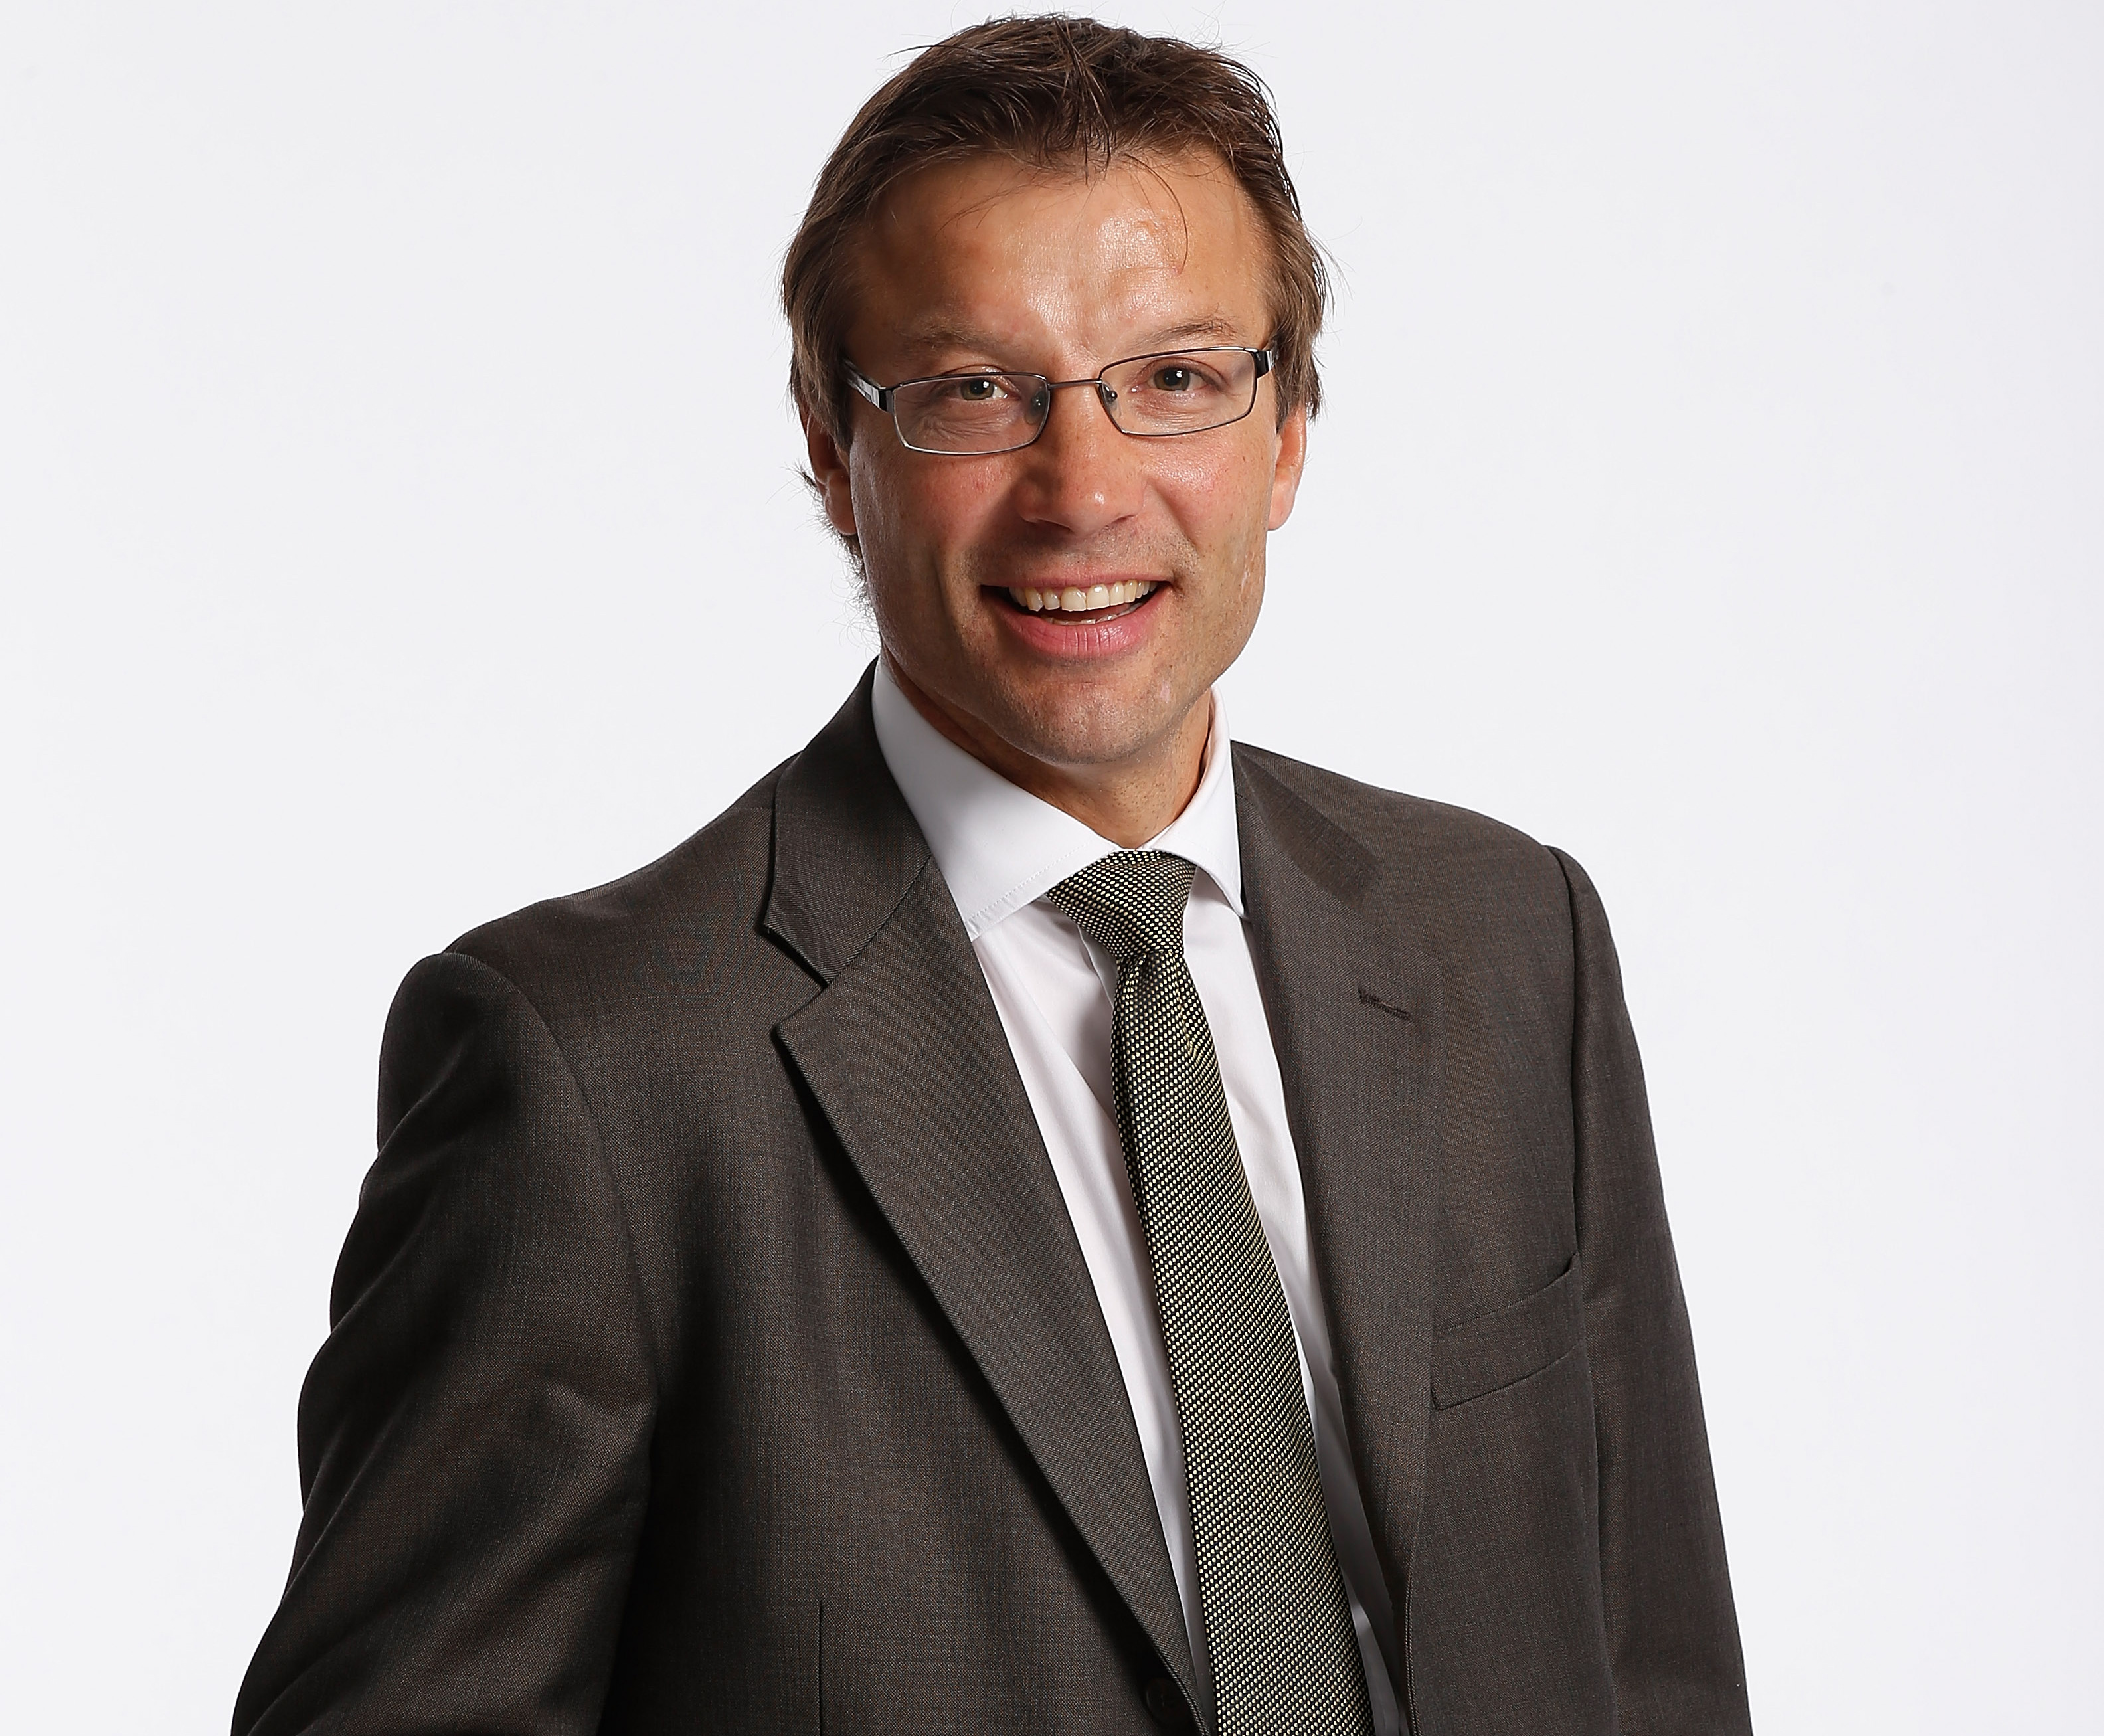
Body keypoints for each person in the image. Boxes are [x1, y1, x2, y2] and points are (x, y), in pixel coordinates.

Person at [234, 17, 1750, 1735]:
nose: (1082, 490)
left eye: (1176, 379)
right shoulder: (595, 1072)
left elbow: (1659, 1666)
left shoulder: (1505, 944)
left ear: (1290, 429)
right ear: (832, 444)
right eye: (975, 393)